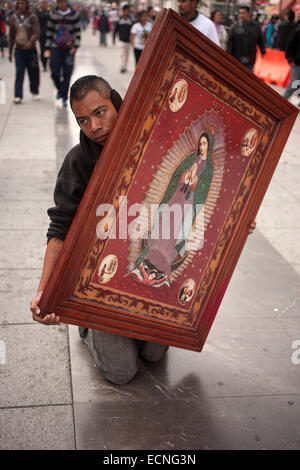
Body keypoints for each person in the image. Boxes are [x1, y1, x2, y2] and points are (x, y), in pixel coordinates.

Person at [30, 75, 169, 385]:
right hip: (100, 282)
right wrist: (45, 293)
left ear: (117, 103)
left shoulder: (150, 145)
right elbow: (59, 228)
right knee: (122, 372)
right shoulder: (77, 162)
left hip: (147, 272)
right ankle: (88, 327)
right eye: (83, 120)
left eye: (100, 112)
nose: (93, 126)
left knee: (154, 354)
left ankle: (129, 328)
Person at [45, 0, 81, 107]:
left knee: (67, 73)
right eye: (59, 2)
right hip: (56, 48)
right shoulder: (53, 15)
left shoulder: (74, 15)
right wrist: (47, 47)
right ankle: (61, 90)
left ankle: (64, 97)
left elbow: (77, 31)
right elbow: (49, 32)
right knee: (54, 72)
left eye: (63, 2)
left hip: (69, 49)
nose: (61, 4)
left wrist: (75, 47)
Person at [8, 0, 40, 103]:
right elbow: (11, 36)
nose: (21, 5)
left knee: (33, 72)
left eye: (23, 3)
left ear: (27, 5)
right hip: (19, 50)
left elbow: (37, 32)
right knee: (19, 72)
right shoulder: (14, 18)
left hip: (31, 50)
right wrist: (10, 51)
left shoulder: (32, 17)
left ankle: (34, 91)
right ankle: (18, 95)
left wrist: (31, 41)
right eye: (19, 3)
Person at [227, 6, 265, 72]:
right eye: (240, 13)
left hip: (250, 60)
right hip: (236, 60)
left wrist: (263, 52)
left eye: (243, 13)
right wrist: (228, 56)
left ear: (249, 14)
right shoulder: (235, 27)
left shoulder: (256, 26)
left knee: (247, 80)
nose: (241, 15)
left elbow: (261, 41)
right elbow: (230, 42)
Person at [283, 21, 300, 107]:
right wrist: (289, 58)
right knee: (294, 85)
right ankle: (282, 102)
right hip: (297, 63)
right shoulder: (297, 29)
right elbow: (289, 43)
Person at [113, 4, 133, 73]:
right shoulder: (119, 20)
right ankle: (121, 67)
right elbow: (115, 30)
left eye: (128, 11)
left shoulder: (131, 20)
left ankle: (125, 66)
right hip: (121, 40)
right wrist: (113, 39)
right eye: (125, 11)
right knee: (122, 54)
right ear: (123, 11)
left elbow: (133, 31)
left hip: (128, 41)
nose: (126, 12)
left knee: (127, 55)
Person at [36, 0, 51, 71]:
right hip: (41, 35)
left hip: (50, 35)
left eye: (45, 3)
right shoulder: (38, 11)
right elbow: (38, 18)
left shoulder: (50, 10)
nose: (44, 4)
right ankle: (44, 63)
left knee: (49, 49)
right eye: (43, 3)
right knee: (43, 50)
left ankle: (48, 61)